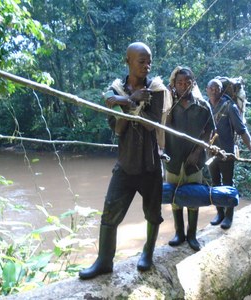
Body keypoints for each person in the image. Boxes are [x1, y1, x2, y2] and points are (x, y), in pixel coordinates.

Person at [79, 42, 169, 279]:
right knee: (109, 214)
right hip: (126, 164)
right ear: (127, 61)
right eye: (142, 61)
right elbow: (116, 125)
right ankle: (104, 261)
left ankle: (147, 253)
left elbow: (152, 123)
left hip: (150, 165)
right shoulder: (116, 89)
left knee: (153, 213)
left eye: (149, 61)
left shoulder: (157, 89)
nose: (147, 66)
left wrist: (129, 103)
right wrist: (130, 100)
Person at [164, 67, 215, 251]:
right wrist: (170, 99)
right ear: (173, 85)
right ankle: (179, 233)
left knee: (193, 197)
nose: (183, 86)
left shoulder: (202, 105)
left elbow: (209, 130)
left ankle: (192, 235)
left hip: (195, 162)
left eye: (187, 82)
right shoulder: (169, 105)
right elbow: (164, 125)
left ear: (193, 83)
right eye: (179, 83)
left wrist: (198, 150)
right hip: (173, 160)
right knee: (175, 197)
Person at [206, 78, 251, 229]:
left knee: (228, 183)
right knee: (215, 183)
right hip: (210, 153)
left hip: (227, 152)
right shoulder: (205, 106)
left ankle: (229, 216)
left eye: (217, 88)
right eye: (211, 88)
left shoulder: (229, 107)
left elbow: (242, 131)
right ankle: (220, 213)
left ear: (221, 90)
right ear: (207, 90)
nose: (214, 91)